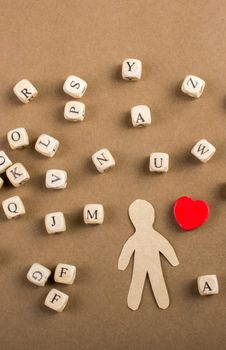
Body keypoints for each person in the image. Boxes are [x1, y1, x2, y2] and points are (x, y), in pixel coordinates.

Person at [118, 199, 179, 310]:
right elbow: (166, 247)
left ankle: (159, 302)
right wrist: (173, 261)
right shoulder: (150, 237)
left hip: (149, 264)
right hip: (142, 265)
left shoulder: (140, 238)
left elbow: (165, 247)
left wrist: (122, 264)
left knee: (149, 280)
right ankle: (139, 302)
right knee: (142, 280)